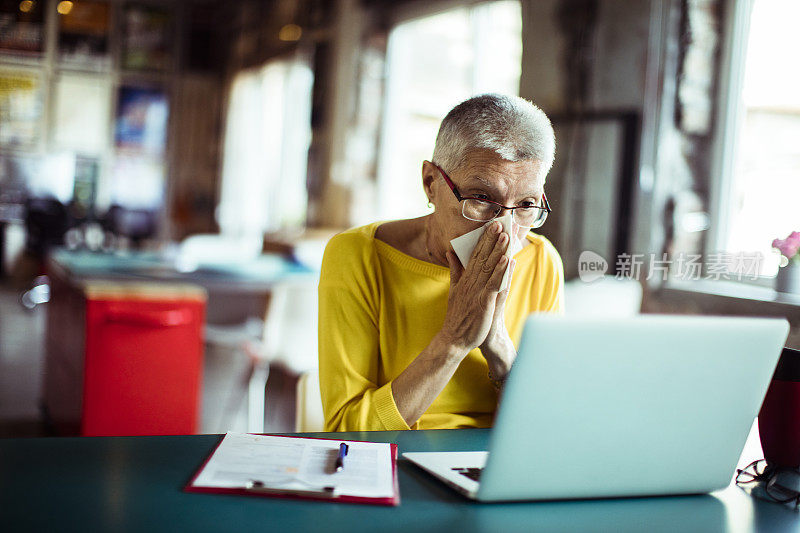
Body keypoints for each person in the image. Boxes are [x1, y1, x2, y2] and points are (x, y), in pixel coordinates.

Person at [318, 94, 564, 431]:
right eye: (481, 198)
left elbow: (546, 430)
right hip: (393, 460)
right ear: (431, 183)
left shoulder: (541, 260)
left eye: (525, 204)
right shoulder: (358, 255)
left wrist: (498, 345)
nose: (503, 230)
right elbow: (347, 431)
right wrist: (454, 340)